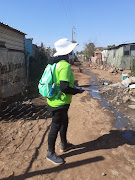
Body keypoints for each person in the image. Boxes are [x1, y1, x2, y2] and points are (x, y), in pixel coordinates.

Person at [46, 38, 83, 164]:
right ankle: (50, 153)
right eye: (71, 50)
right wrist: (77, 91)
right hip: (60, 102)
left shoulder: (53, 63)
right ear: (67, 52)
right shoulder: (65, 66)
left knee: (64, 121)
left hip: (54, 99)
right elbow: (64, 87)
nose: (72, 52)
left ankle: (64, 144)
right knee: (56, 125)